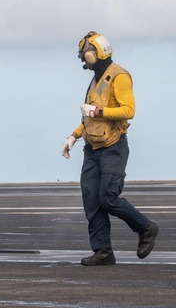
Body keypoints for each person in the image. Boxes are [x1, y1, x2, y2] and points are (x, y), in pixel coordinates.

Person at [61, 31, 159, 266]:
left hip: (113, 147)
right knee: (92, 200)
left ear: (93, 53)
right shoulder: (96, 79)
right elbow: (89, 118)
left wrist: (99, 112)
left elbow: (128, 110)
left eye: (85, 54)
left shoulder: (119, 76)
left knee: (108, 198)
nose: (84, 60)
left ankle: (146, 228)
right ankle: (103, 251)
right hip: (92, 149)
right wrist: (74, 136)